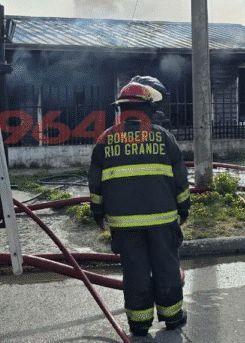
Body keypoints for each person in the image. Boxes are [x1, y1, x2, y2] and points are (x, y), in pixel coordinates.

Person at [88, 76, 190, 338]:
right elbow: (180, 180)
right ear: (148, 110)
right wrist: (184, 208)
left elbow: (96, 186)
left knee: (135, 272)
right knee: (167, 267)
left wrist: (98, 213)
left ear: (120, 110)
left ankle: (139, 324)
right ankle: (172, 317)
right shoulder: (164, 138)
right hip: (162, 221)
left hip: (125, 225)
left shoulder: (104, 141)